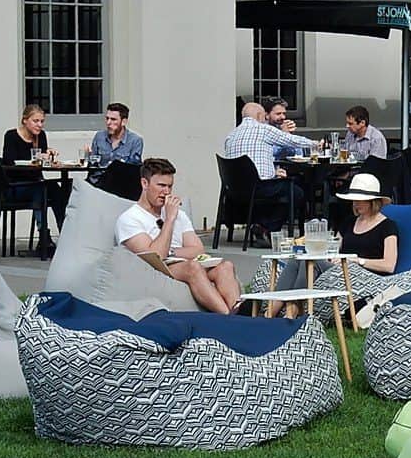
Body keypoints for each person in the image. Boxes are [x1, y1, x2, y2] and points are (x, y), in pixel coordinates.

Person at [116, 158, 242, 314]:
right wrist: (169, 219)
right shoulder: (130, 219)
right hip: (153, 271)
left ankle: (238, 313)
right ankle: (229, 317)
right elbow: (155, 257)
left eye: (170, 186)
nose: (166, 192)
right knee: (193, 267)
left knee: (225, 266)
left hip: (179, 263)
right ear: (144, 184)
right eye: (161, 185)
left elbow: (197, 250)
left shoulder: (178, 214)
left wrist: (171, 251)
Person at [268, 173, 398, 318]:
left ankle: (292, 313)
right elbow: (333, 247)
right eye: (354, 199)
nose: (356, 203)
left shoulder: (387, 226)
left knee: (312, 262)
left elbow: (389, 265)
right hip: (340, 270)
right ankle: (270, 313)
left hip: (365, 276)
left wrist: (357, 260)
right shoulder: (349, 222)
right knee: (298, 259)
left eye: (360, 200)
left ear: (373, 201)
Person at [224, 101, 319, 243]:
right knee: (295, 191)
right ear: (260, 115)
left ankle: (261, 225)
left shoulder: (231, 136)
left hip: (234, 191)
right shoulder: (263, 129)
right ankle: (267, 227)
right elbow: (292, 141)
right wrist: (316, 144)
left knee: (280, 186)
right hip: (259, 187)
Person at [1, 104, 68, 248]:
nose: (40, 125)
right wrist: (35, 159)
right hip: (15, 187)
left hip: (36, 183)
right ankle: (44, 234)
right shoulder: (11, 136)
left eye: (42, 121)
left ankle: (66, 233)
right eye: (36, 121)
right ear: (25, 120)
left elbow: (40, 166)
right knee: (40, 188)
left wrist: (49, 158)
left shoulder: (41, 136)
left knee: (57, 189)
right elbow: (9, 163)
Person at [89, 102, 144, 168]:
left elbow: (133, 168)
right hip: (99, 177)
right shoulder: (99, 137)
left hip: (122, 177)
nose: (108, 123)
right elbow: (92, 165)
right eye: (107, 118)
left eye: (113, 119)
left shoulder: (135, 141)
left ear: (124, 122)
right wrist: (88, 156)